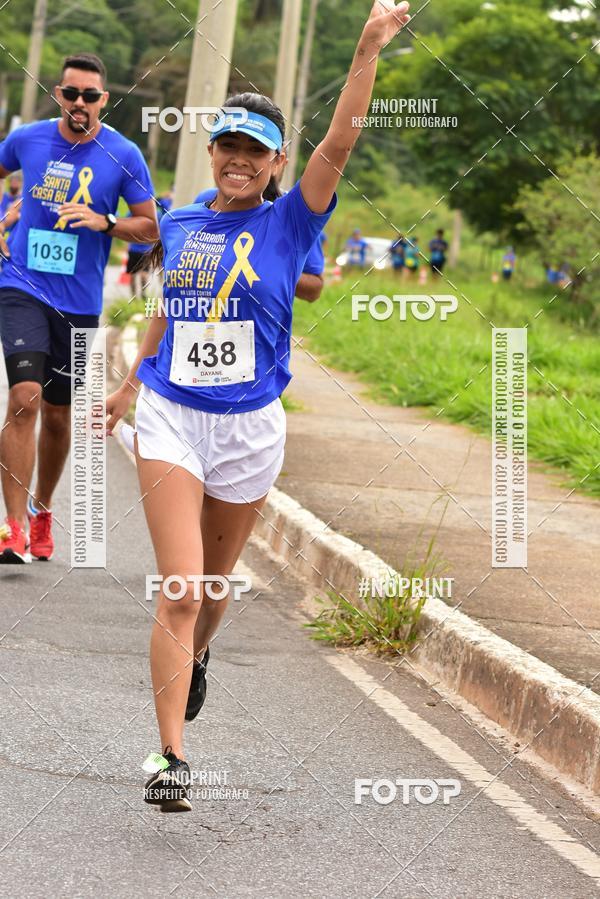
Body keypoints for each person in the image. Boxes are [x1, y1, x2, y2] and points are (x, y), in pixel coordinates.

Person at [105, 0, 411, 812]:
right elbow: (172, 308)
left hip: (249, 428)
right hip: (172, 415)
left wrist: (368, 43)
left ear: (275, 164)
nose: (240, 161)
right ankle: (170, 755)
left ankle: (196, 660)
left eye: (257, 152)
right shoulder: (178, 219)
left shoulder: (291, 222)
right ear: (213, 152)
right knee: (178, 587)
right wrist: (133, 381)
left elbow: (341, 138)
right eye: (230, 147)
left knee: (210, 591)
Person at [0, 52, 157, 563]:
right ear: (58, 95)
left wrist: (105, 222)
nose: (80, 104)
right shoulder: (27, 139)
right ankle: (14, 526)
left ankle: (44, 509)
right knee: (23, 397)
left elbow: (150, 226)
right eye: (71, 94)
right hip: (20, 285)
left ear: (103, 102)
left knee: (59, 415)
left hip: (80, 303)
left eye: (90, 96)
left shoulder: (124, 155)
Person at [192, 163, 327, 303]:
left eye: (259, 151)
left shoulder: (292, 212)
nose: (244, 162)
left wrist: (274, 268)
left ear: (281, 161)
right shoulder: (206, 201)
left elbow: (314, 289)